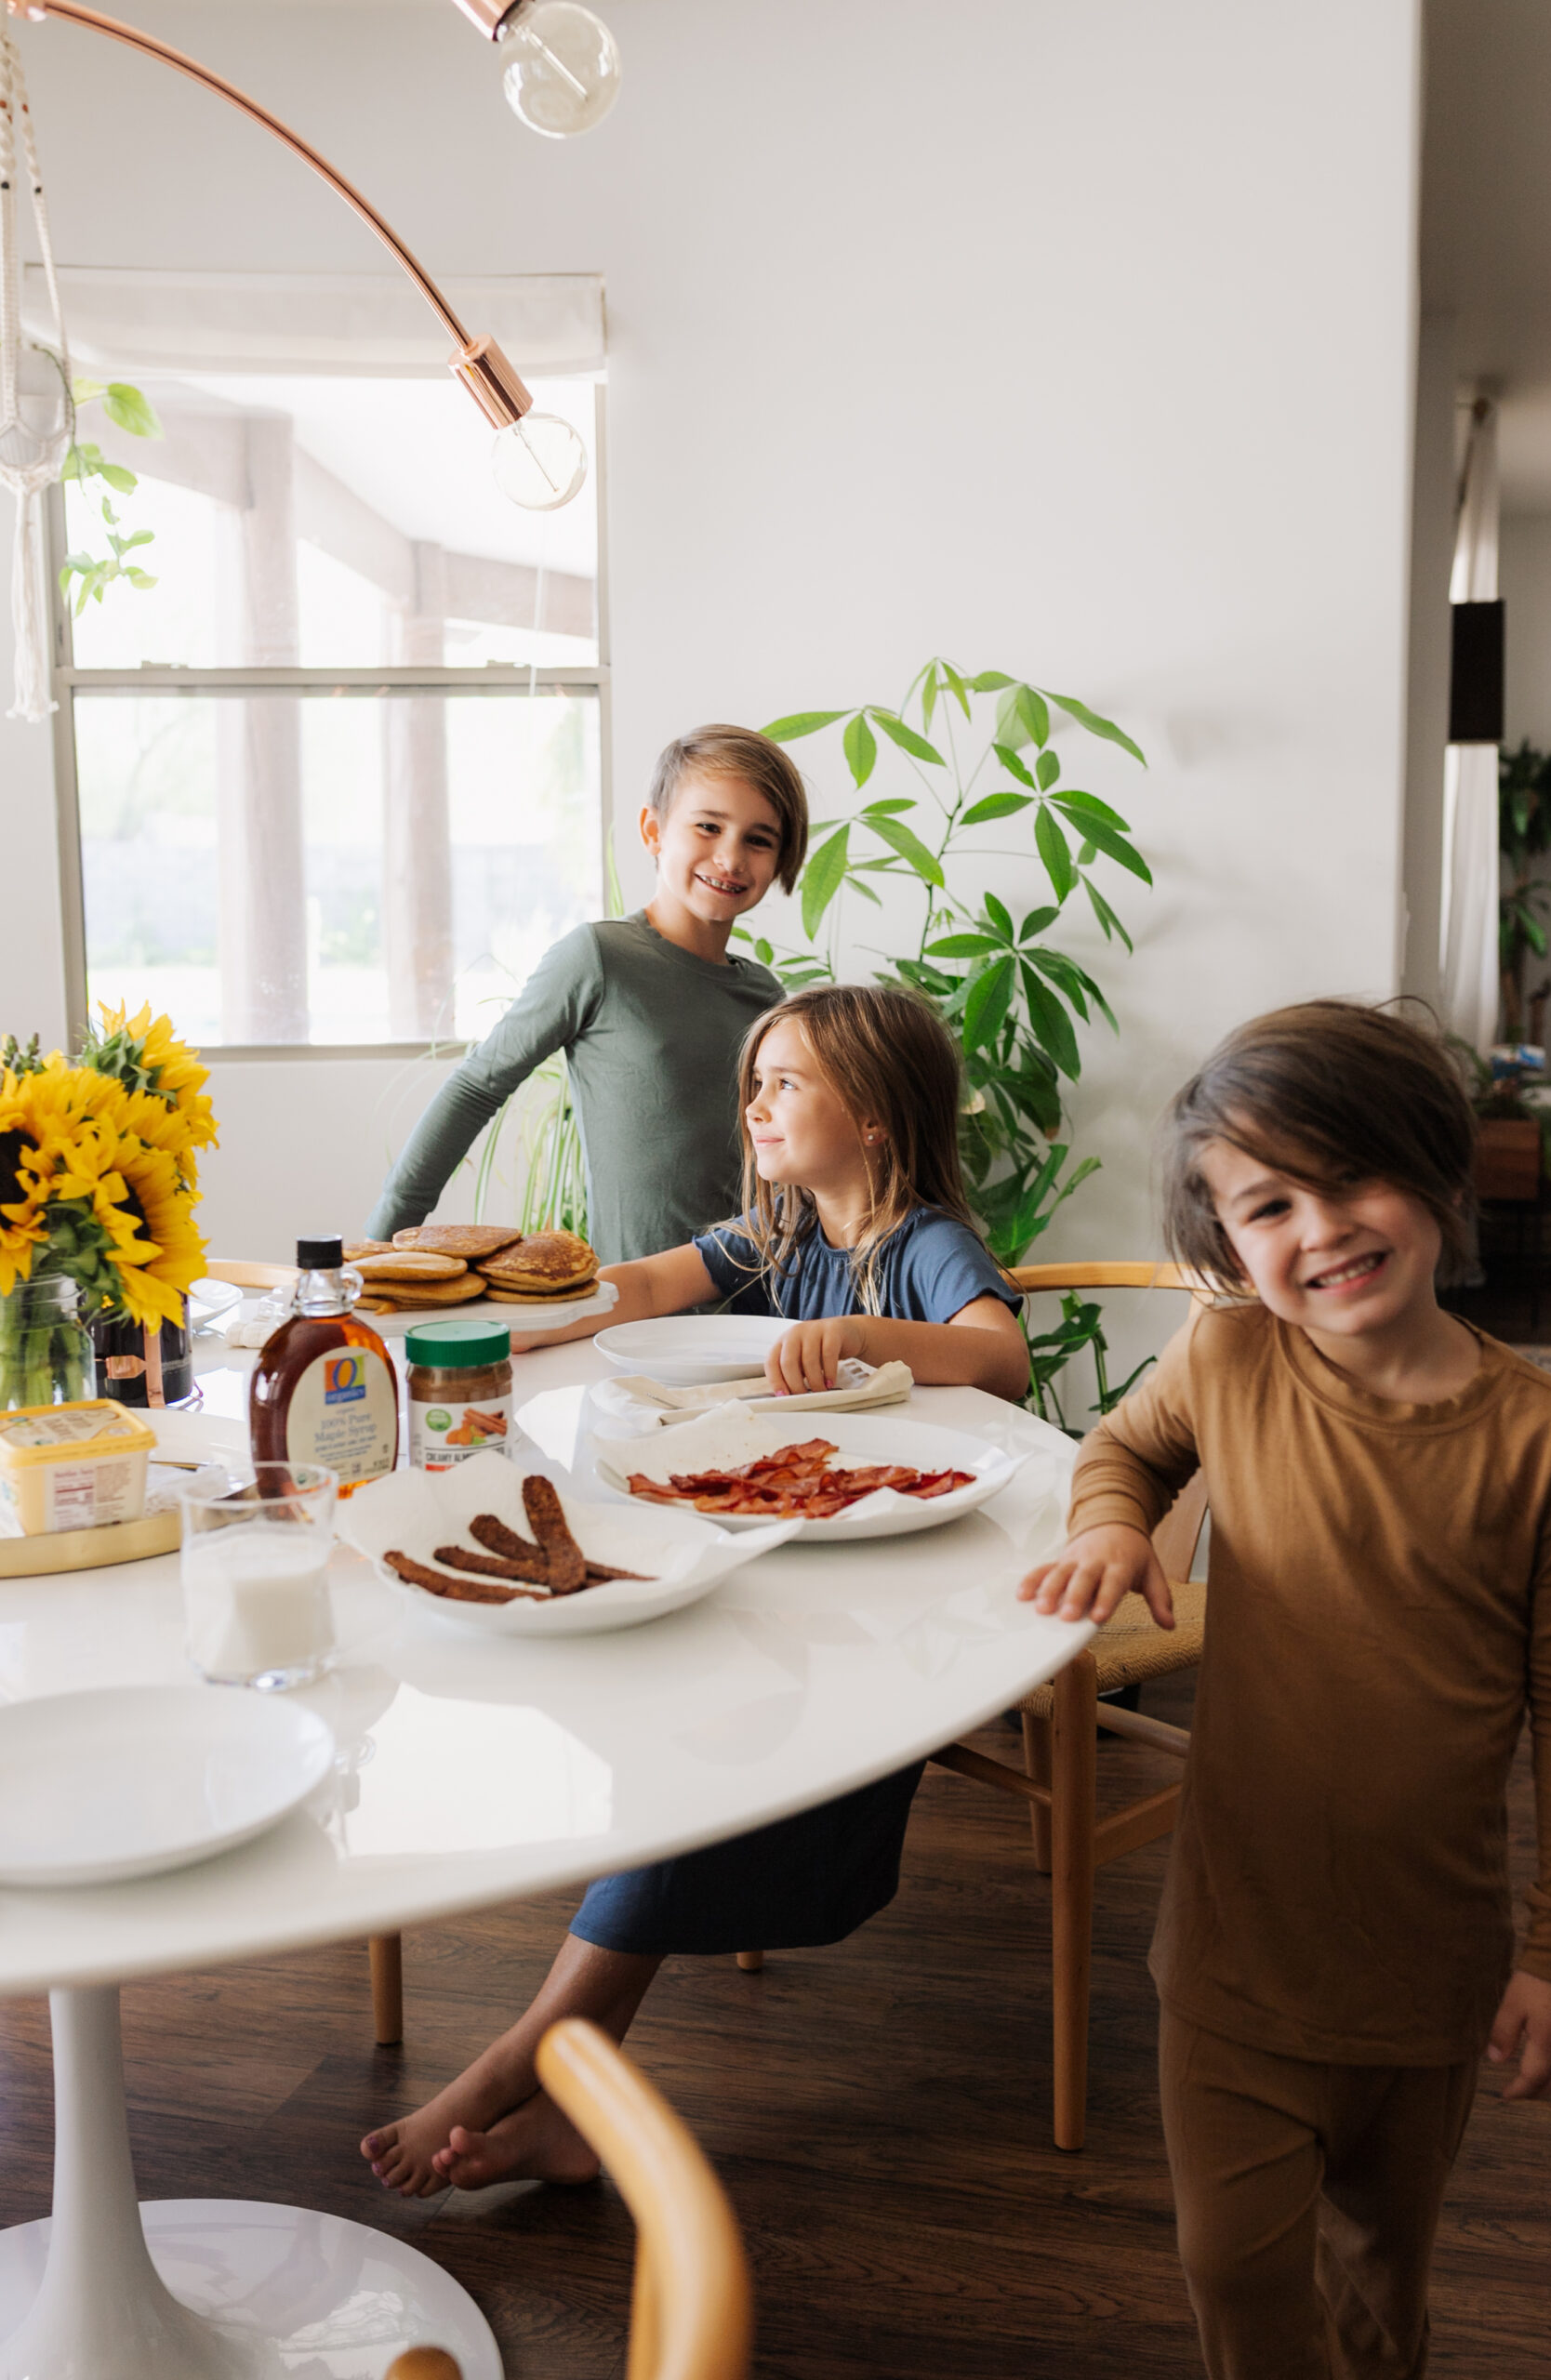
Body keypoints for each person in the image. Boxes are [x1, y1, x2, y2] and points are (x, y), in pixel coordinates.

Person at [360, 984, 1030, 2196]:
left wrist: (874, 1336)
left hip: (886, 1624)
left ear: (873, 1117)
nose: (756, 1105)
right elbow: (649, 1287)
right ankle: (567, 2082)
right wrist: (506, 1320)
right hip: (781, 1577)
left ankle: (535, 2052)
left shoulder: (917, 1242)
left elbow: (998, 1353)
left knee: (709, 1773)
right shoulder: (775, 1235)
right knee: (670, 1726)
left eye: (787, 1083)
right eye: (755, 1082)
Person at [1018, 1000, 1551, 2380]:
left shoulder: (1544, 1443)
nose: (1318, 1228)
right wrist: (1107, 1525)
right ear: (1224, 1245)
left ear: (1434, 1168)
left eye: (1348, 1178)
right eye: (1267, 1205)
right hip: (1231, 1952)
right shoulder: (1225, 1360)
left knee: (1377, 2273)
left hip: (1425, 1973)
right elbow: (1122, 1450)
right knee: (1232, 2264)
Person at [366, 723, 808, 1261]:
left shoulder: (766, 994)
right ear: (653, 830)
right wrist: (376, 1245)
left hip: (763, 1297)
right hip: (639, 1309)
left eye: (758, 840)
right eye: (708, 827)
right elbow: (476, 1089)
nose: (732, 858)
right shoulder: (600, 959)